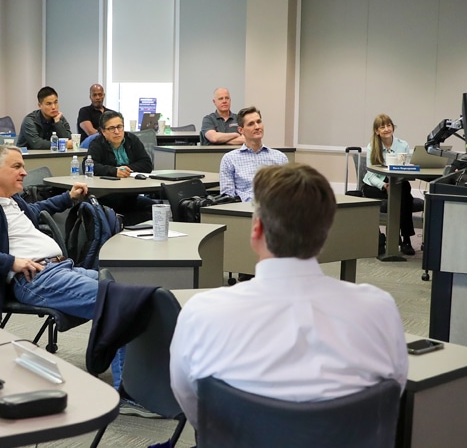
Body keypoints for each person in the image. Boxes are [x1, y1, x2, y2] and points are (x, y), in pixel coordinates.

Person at [169, 162, 408, 428]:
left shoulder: (201, 313)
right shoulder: (379, 309)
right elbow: (393, 392)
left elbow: (190, 402)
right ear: (326, 233)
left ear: (256, 229)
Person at [0, 146, 98, 319]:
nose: (24, 173)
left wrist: (69, 197)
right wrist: (12, 262)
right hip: (36, 277)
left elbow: (38, 208)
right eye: (17, 166)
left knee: (121, 284)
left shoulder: (15, 202)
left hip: (63, 267)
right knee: (114, 298)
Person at [361, 114, 421, 257]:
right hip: (375, 185)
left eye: (389, 125)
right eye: (382, 127)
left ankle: (405, 239)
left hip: (397, 182)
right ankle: (398, 238)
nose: (387, 129)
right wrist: (384, 186)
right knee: (402, 196)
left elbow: (405, 168)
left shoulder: (403, 145)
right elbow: (370, 174)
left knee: (404, 192)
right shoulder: (372, 147)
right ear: (377, 131)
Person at [87, 110, 158, 223]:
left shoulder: (132, 140)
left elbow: (146, 163)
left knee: (155, 208)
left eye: (119, 127)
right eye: (111, 128)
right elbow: (89, 165)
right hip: (108, 197)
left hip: (130, 195)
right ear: (103, 131)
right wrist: (114, 171)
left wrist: (127, 169)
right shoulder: (97, 143)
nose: (117, 131)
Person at [218, 106, 288, 201]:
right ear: (241, 130)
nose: (257, 127)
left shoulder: (280, 157)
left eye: (259, 122)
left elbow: (288, 192)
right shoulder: (230, 159)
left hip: (273, 210)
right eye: (251, 124)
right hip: (243, 210)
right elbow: (227, 197)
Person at [17, 86, 75, 151]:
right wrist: (63, 144)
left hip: (51, 156)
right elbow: (36, 144)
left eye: (55, 102)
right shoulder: (30, 120)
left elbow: (69, 139)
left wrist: (58, 123)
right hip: (28, 157)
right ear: (40, 105)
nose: (53, 107)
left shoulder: (59, 118)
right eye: (49, 104)